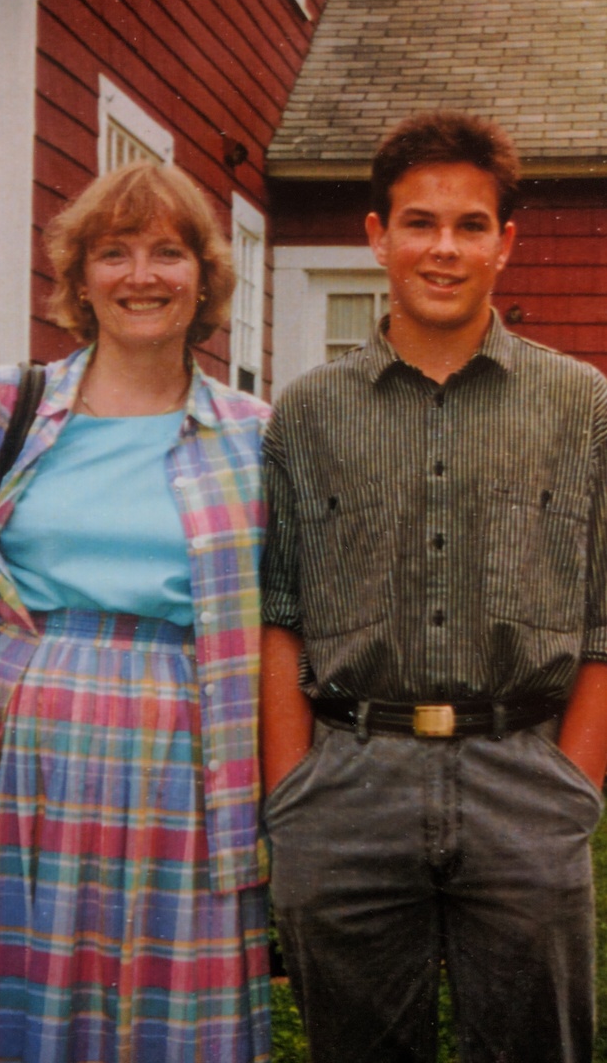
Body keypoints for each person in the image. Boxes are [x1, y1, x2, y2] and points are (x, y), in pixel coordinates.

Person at [260, 111, 607, 1063]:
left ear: (506, 243)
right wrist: (294, 794)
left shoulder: (583, 406)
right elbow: (279, 615)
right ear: (378, 236)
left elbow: (605, 621)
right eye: (419, 223)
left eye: (468, 226)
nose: (442, 249)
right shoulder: (307, 414)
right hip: (349, 784)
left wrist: (572, 786)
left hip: (524, 779)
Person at [0, 160, 272, 1063]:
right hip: (21, 760)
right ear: (79, 279)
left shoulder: (258, 438)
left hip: (187, 764)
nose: (141, 276)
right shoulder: (2, 410)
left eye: (167, 252)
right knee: (20, 1010)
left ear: (204, 278)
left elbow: (291, 621)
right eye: (113, 253)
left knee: (167, 1017)